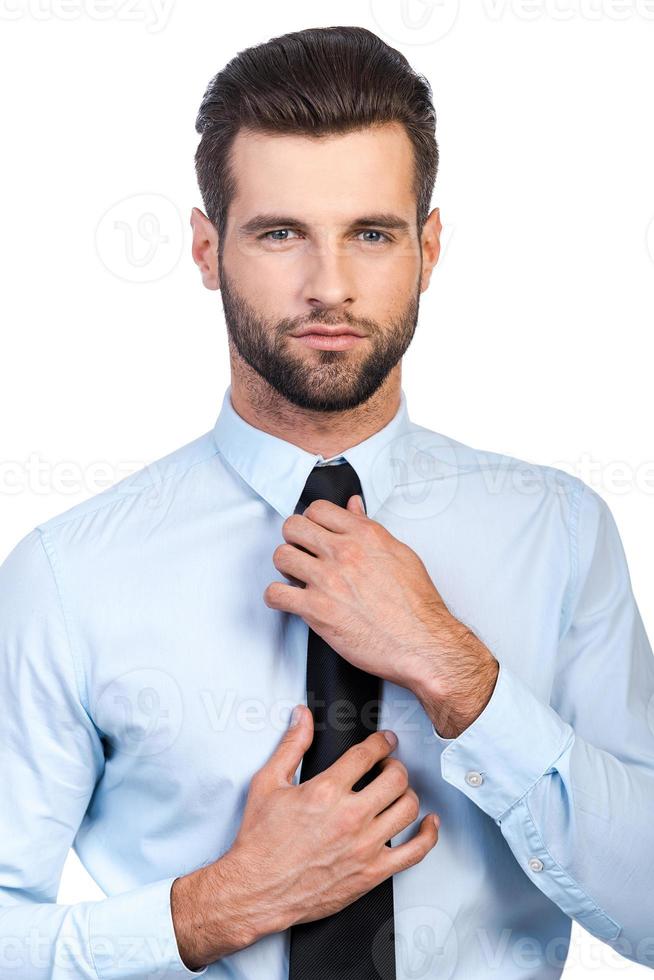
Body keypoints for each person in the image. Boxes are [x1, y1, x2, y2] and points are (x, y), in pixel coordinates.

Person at [1, 24, 653, 980]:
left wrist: (461, 673)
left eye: (373, 234)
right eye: (279, 234)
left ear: (428, 249)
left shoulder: (558, 533)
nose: (330, 287)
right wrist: (213, 909)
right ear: (204, 246)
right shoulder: (69, 573)